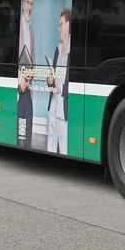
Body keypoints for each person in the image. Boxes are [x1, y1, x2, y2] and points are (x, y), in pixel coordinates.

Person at [45, 9, 71, 155]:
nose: (59, 28)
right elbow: (53, 73)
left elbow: (78, 83)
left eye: (61, 24)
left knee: (64, 147)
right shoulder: (58, 48)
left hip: (64, 109)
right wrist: (50, 80)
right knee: (51, 145)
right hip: (53, 107)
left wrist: (62, 88)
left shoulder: (74, 51)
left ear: (68, 25)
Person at [16, 0, 35, 147]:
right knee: (17, 134)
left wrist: (32, 74)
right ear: (23, 5)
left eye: (31, 4)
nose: (29, 6)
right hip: (18, 89)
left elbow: (32, 58)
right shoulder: (17, 27)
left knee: (27, 133)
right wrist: (19, 83)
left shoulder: (31, 30)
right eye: (27, 3)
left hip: (28, 90)